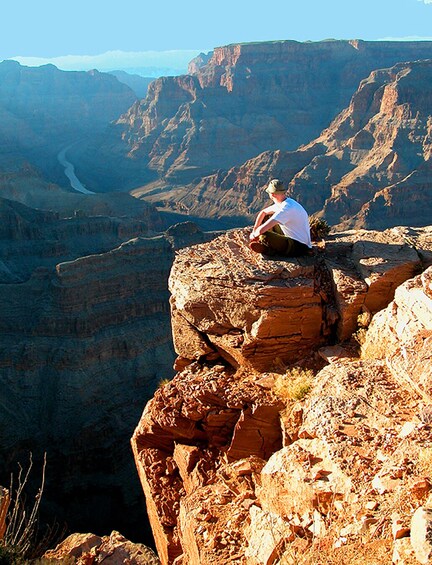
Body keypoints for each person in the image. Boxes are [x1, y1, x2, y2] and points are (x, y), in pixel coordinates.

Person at [249, 179, 312, 256]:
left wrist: (253, 235)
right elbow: (263, 213)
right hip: (293, 238)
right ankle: (269, 245)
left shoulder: (286, 208)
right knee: (266, 217)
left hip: (299, 246)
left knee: (264, 235)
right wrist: (255, 228)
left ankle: (268, 250)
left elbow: (261, 231)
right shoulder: (286, 202)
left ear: (272, 194)